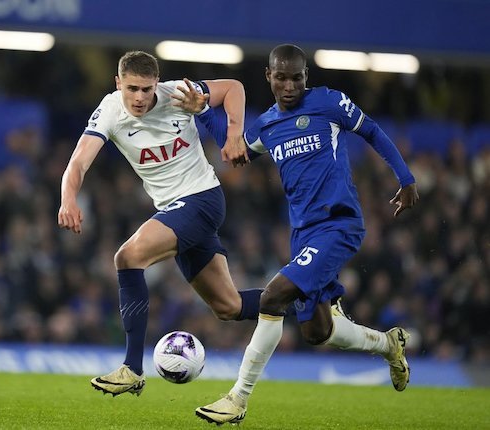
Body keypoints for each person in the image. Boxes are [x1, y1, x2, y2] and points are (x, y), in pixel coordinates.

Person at [188, 44, 419, 425]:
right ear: (269, 77)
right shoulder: (266, 125)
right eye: (281, 77)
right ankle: (388, 344)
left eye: (297, 77)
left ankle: (237, 399)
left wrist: (406, 179)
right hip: (303, 235)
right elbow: (236, 151)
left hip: (339, 224)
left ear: (306, 76)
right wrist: (202, 114)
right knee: (318, 331)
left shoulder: (329, 103)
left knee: (272, 297)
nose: (290, 85)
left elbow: (373, 131)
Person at [57, 50, 261, 396]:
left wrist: (234, 134)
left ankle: (132, 368)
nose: (139, 97)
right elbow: (78, 162)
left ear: (157, 83)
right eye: (132, 89)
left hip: (203, 199)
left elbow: (233, 88)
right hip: (175, 210)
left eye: (146, 89)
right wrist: (68, 198)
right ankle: (309, 301)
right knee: (230, 307)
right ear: (118, 83)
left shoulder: (176, 93)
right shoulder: (109, 111)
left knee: (128, 257)